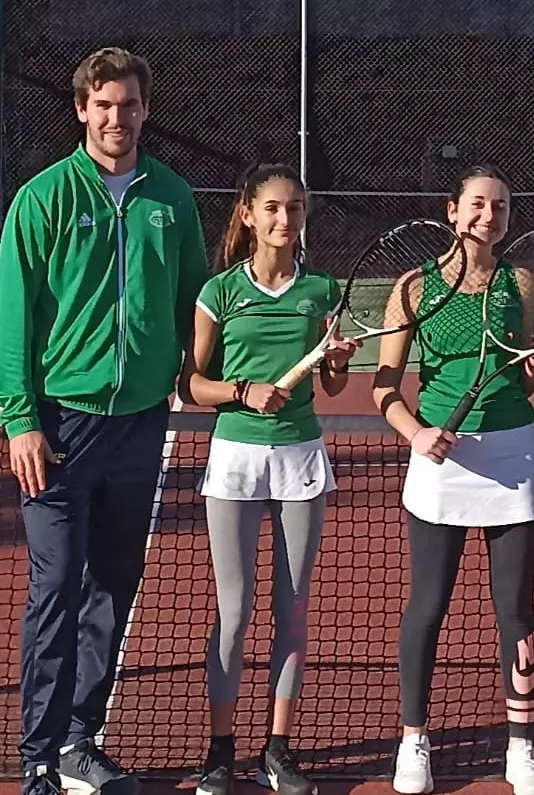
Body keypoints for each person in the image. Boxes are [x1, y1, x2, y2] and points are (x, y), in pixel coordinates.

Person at [0, 47, 210, 795]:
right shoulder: (44, 197)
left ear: (147, 110)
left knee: (114, 583)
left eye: (130, 104)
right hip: (58, 429)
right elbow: (12, 320)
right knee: (55, 587)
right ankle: (38, 758)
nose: (118, 117)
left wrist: (195, 375)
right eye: (104, 104)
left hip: (140, 425)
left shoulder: (171, 197)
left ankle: (82, 738)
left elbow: (192, 302)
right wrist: (21, 420)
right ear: (82, 109)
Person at [374, 166, 534, 795]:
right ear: (453, 211)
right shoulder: (412, 287)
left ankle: (521, 747)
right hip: (439, 462)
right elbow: (384, 384)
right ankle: (414, 741)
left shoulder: (521, 282)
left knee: (515, 608)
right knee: (427, 605)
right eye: (479, 204)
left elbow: (526, 381)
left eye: (502, 206)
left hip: (512, 457)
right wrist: (415, 432)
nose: (490, 215)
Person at [180, 164, 356, 795]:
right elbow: (191, 383)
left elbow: (331, 385)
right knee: (234, 611)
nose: (287, 220)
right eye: (275, 208)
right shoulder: (220, 291)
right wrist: (242, 390)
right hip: (234, 459)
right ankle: (220, 752)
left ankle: (277, 750)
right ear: (249, 215)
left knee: (292, 610)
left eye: (298, 209)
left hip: (301, 459)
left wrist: (336, 363)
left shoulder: (321, 291)